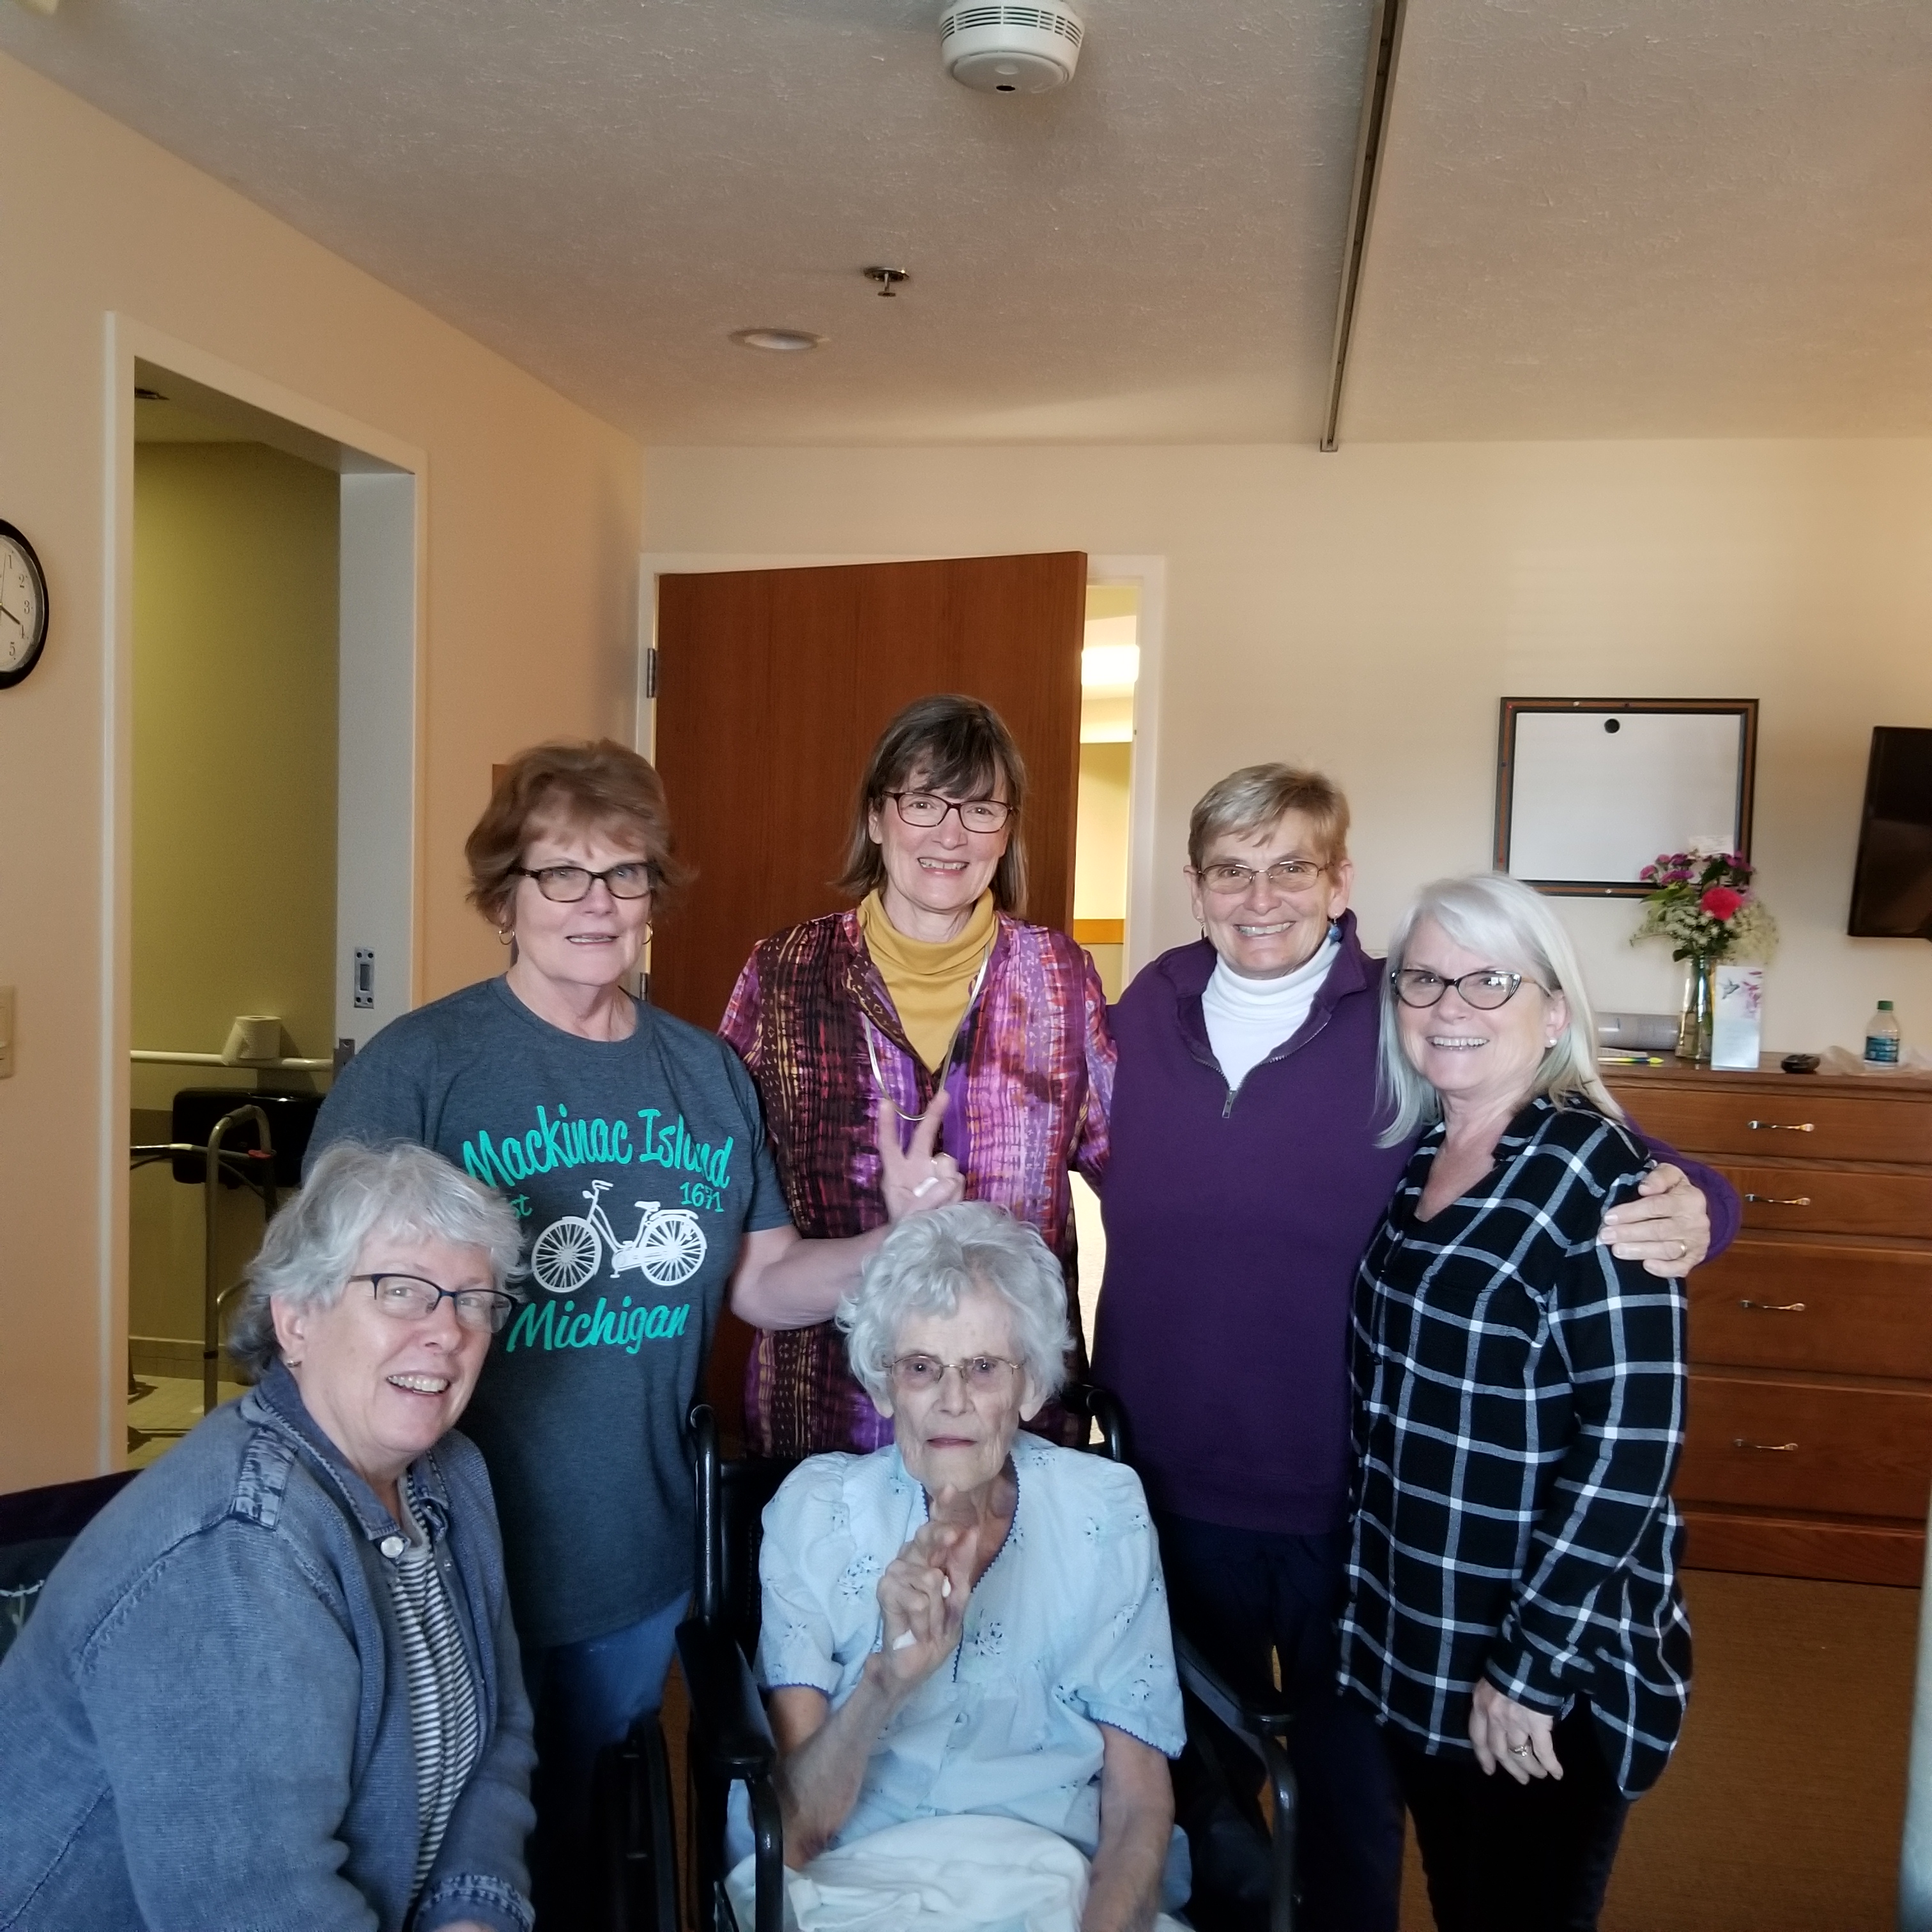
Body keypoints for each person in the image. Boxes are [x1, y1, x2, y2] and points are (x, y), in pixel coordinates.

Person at [305, 739, 957, 1925]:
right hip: (445, 1554)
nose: (595, 902)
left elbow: (763, 1280)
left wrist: (895, 1236)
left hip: (630, 1550)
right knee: (434, 1845)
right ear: (504, 895)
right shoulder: (420, 1069)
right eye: (561, 872)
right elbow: (314, 1308)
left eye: (625, 872)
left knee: (583, 1838)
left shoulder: (704, 1074)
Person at [1090, 765, 1735, 1932]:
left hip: (1358, 1514)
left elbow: (1608, 1151)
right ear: (1194, 886)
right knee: (1199, 1795)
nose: (1260, 898)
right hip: (1167, 1491)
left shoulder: (1409, 1012)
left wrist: (1701, 1206)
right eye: (1231, 871)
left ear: (1340, 880)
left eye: (1292, 866)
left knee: (1351, 1817)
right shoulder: (1142, 1010)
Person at [0, 1140, 533, 1932]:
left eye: (473, 1300)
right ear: (297, 1320)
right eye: (401, 1292)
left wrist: (472, 1914)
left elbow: (499, 1734)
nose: (448, 1332)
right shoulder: (240, 1550)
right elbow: (255, 1906)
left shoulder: (452, 1474)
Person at [1338, 871, 1692, 1931]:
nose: (1450, 1005)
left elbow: (1631, 1445)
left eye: (1489, 980)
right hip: (1425, 1639)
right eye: (1423, 979)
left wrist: (1530, 1668)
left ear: (1553, 1011)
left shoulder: (1600, 1176)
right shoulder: (1423, 1156)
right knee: (1463, 1898)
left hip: (1544, 1671)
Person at [751, 1202, 1186, 1932]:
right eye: (921, 1368)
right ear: (884, 1386)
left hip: (1056, 1883)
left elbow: (1139, 1801)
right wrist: (885, 1682)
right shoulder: (815, 1514)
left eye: (983, 1368)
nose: (952, 1402)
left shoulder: (1105, 1509)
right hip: (856, 1888)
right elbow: (794, 1832)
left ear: (1031, 1387)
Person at [723, 694, 1111, 1459]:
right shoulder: (784, 973)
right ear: (876, 817)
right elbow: (721, 1195)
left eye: (980, 809)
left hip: (1011, 1422)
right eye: (924, 801)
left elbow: (1141, 1172)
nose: (950, 834)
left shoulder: (1060, 977)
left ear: (1007, 831)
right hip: (828, 1416)